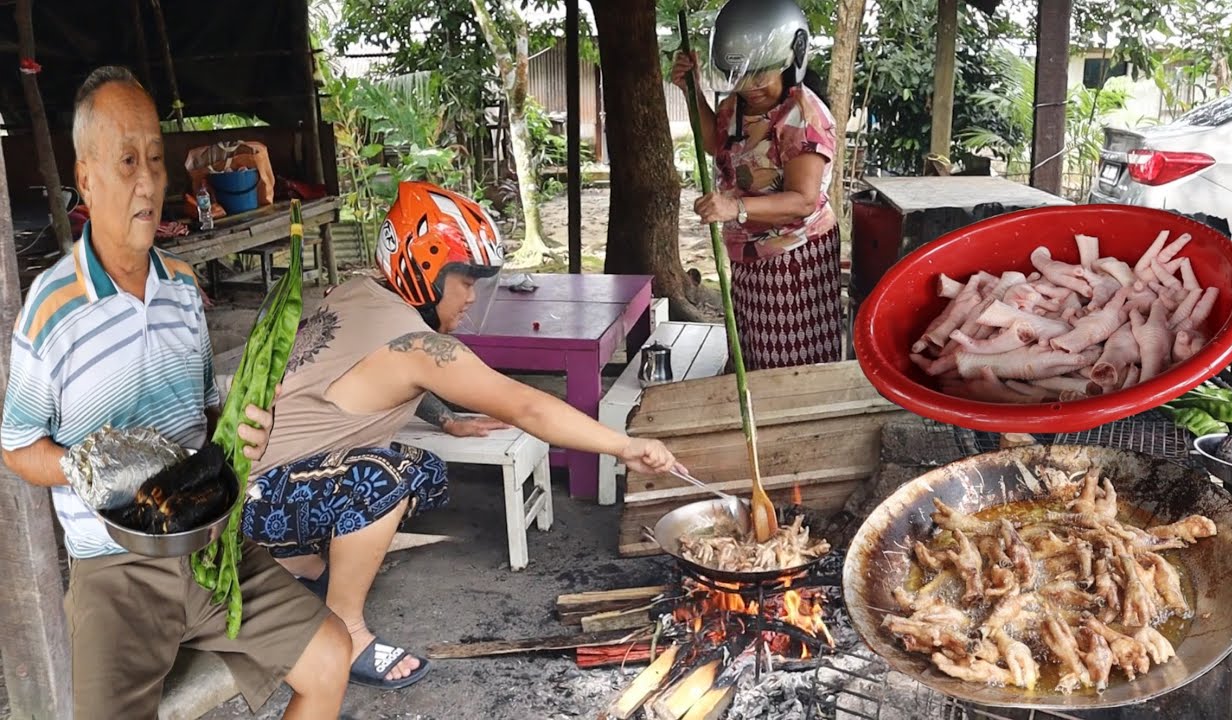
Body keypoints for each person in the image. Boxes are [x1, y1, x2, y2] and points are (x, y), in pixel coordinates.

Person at [0, 67, 351, 719]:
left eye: (156, 159)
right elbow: (17, 449)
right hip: (115, 572)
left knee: (331, 656)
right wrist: (87, 468)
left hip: (208, 544)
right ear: (87, 177)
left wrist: (243, 437)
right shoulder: (51, 310)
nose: (146, 180)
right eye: (126, 159)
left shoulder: (184, 289)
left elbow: (205, 421)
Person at [241, 180, 682, 690]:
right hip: (254, 503)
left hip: (257, 477)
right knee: (382, 480)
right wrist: (625, 446)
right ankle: (346, 631)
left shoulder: (357, 290)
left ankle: (296, 560)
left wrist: (446, 419)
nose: (473, 297)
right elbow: (525, 406)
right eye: (465, 280)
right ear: (425, 271)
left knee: (420, 468)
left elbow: (375, 375)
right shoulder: (419, 345)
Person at [671, 0, 843, 371]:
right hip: (749, 253)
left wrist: (736, 208)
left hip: (794, 256)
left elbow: (803, 200)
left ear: (791, 60)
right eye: (741, 76)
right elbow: (717, 144)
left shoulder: (803, 115)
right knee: (753, 355)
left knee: (787, 366)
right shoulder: (737, 104)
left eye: (759, 76)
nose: (749, 87)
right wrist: (692, 89)